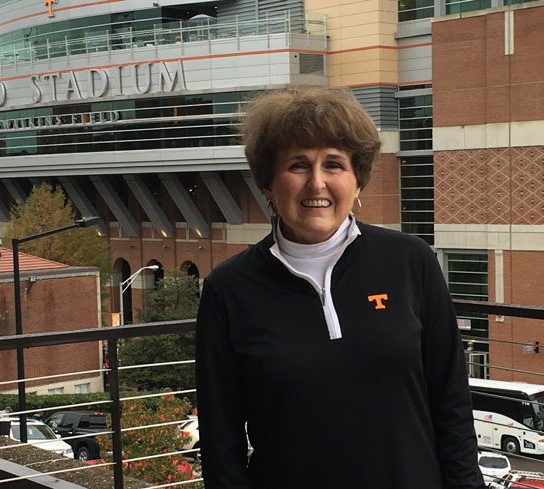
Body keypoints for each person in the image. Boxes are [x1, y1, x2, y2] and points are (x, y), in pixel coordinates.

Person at [195, 88, 485, 489]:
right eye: (298, 165)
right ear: (267, 183)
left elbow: (451, 402)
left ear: (357, 180)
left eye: (334, 164)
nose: (317, 183)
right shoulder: (229, 289)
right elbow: (220, 439)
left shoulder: (410, 261)